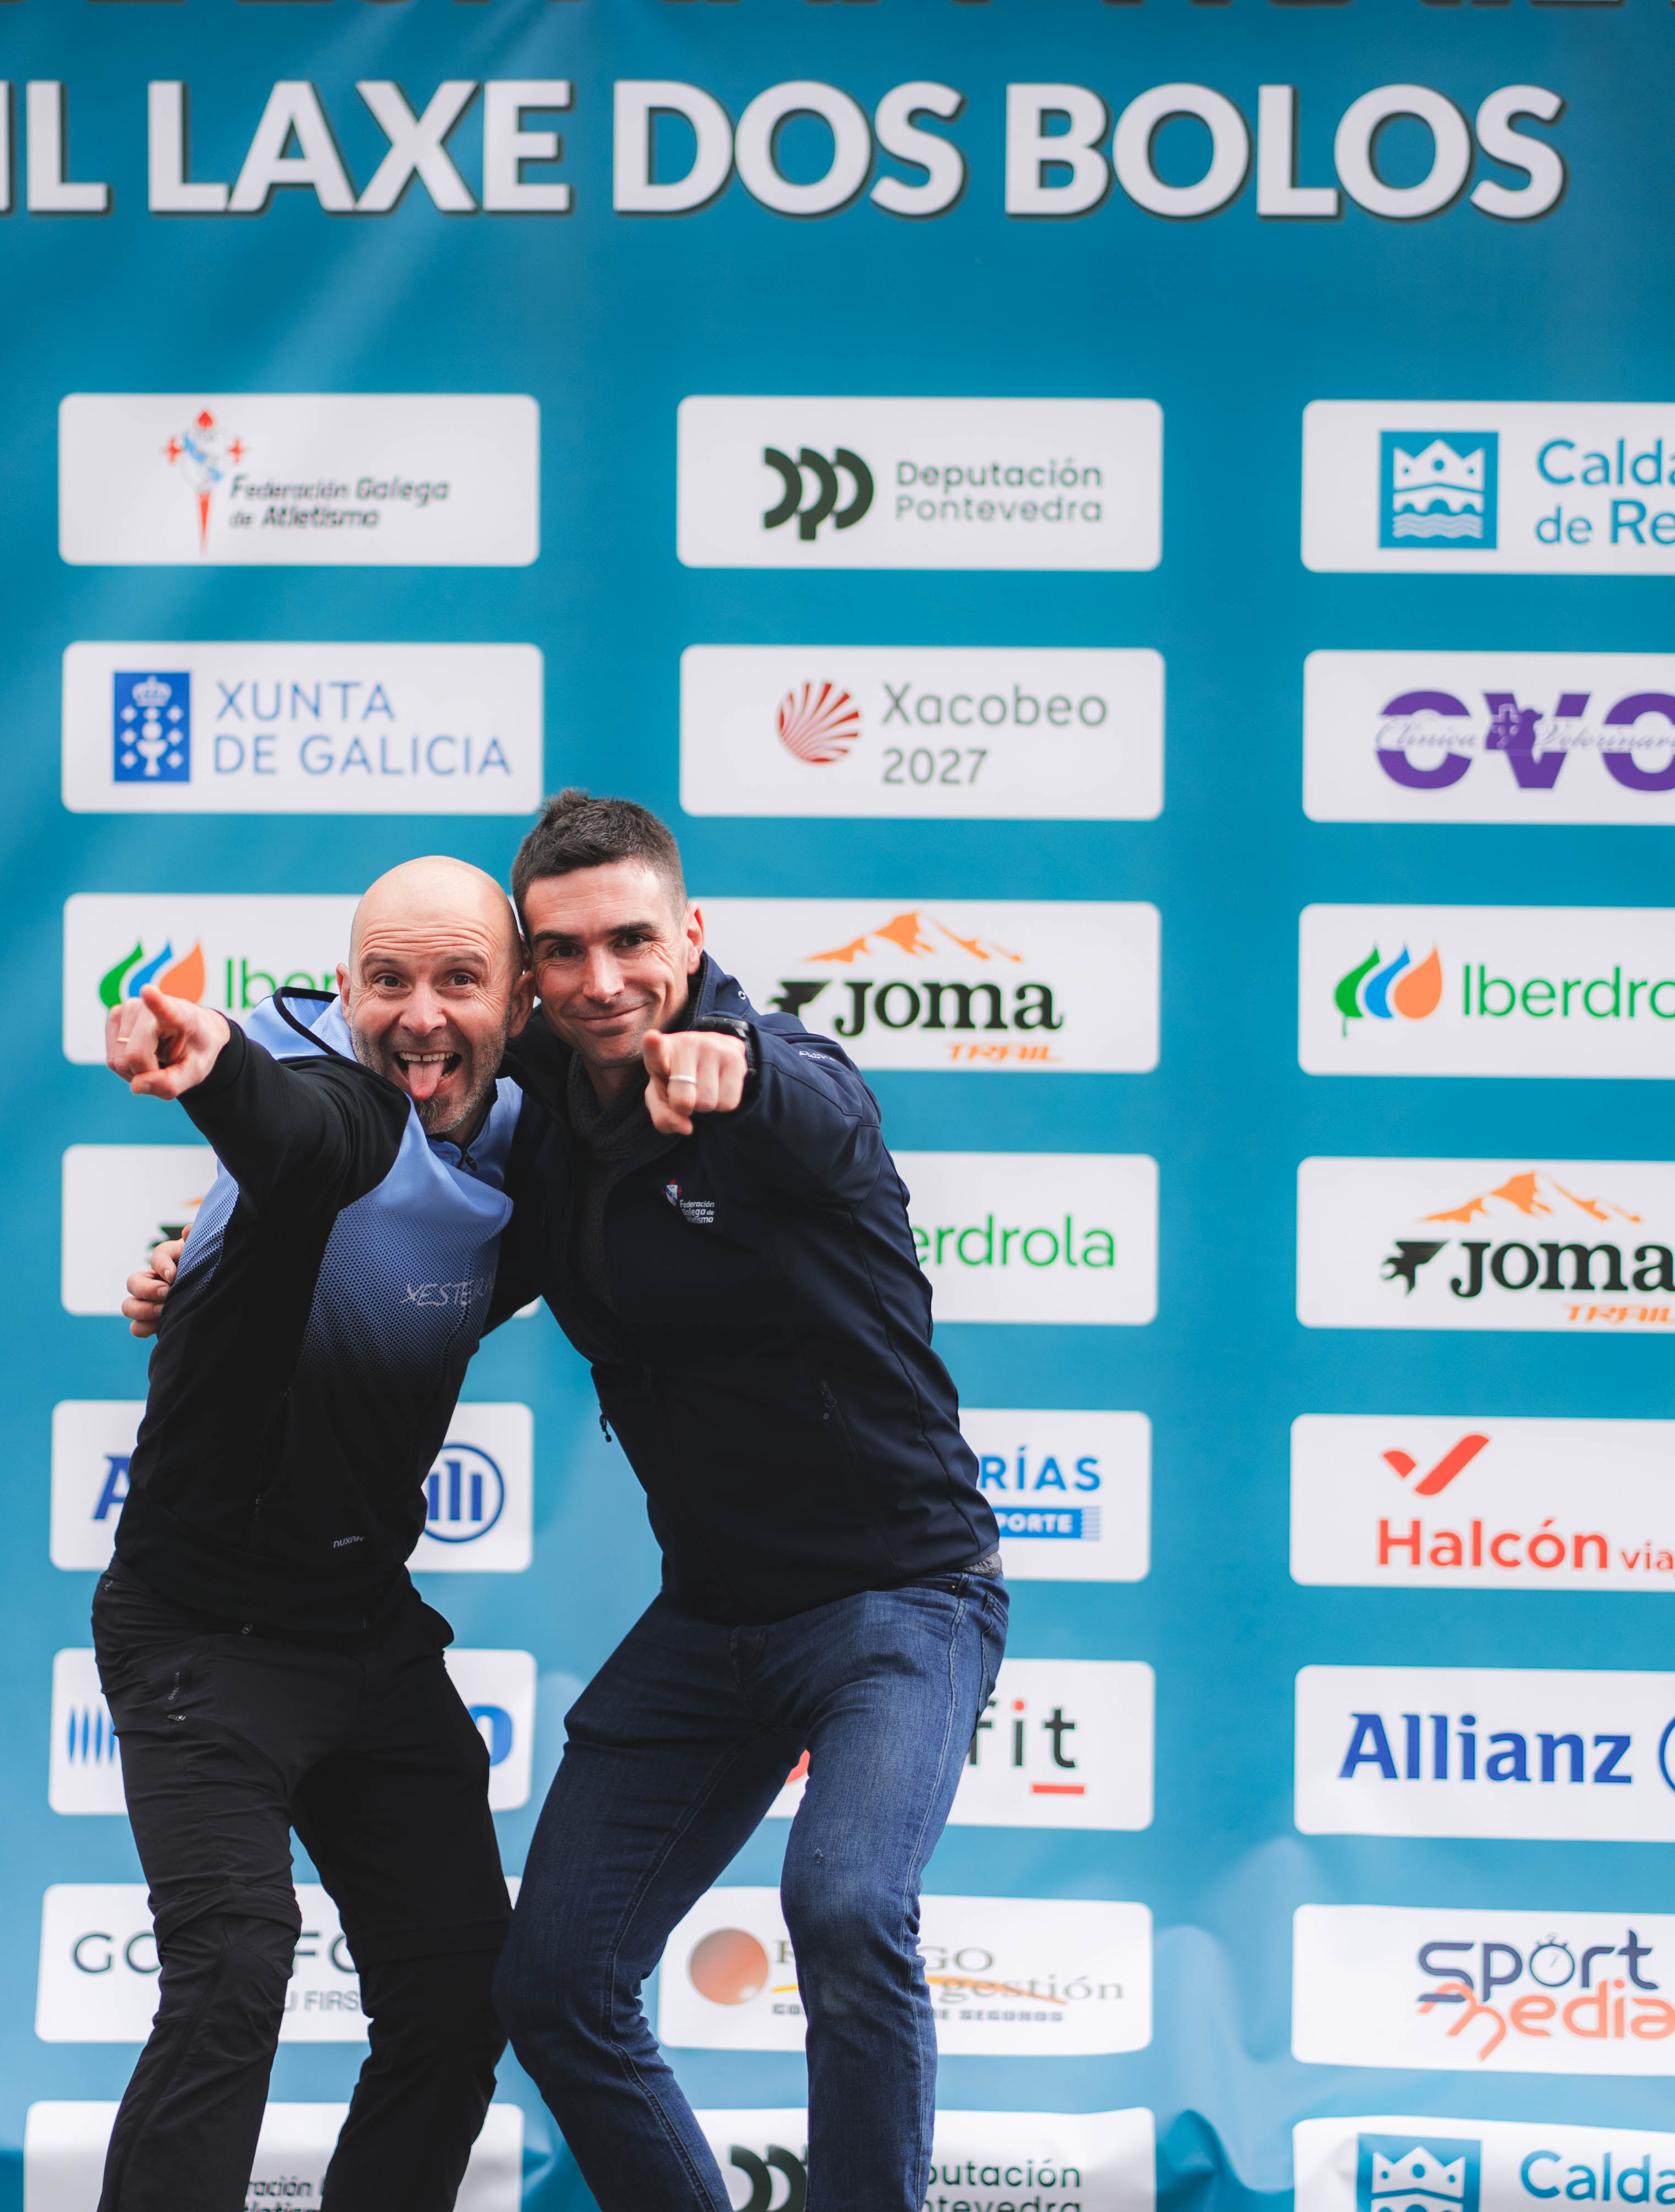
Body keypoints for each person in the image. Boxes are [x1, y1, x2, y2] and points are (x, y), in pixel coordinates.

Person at [488, 793, 1006, 2212]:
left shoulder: (771, 1077)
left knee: (846, 1903)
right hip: (713, 1616)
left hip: (900, 1597)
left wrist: (738, 1067)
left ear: (693, 933)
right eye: (563, 951)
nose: (602, 979)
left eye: (633, 940)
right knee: (553, 1979)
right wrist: (210, 1268)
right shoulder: (541, 1105)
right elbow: (394, 1160)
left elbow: (816, 1098)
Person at [87, 855, 529, 2212]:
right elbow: (301, 1127)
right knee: (232, 1967)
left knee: (461, 1990)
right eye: (386, 980)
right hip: (203, 1636)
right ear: (344, 993)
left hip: (366, 1629)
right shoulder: (337, 1096)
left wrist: (726, 1043)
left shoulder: (530, 1131)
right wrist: (214, 1064)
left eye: (460, 980)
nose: (420, 1015)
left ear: (518, 1003)